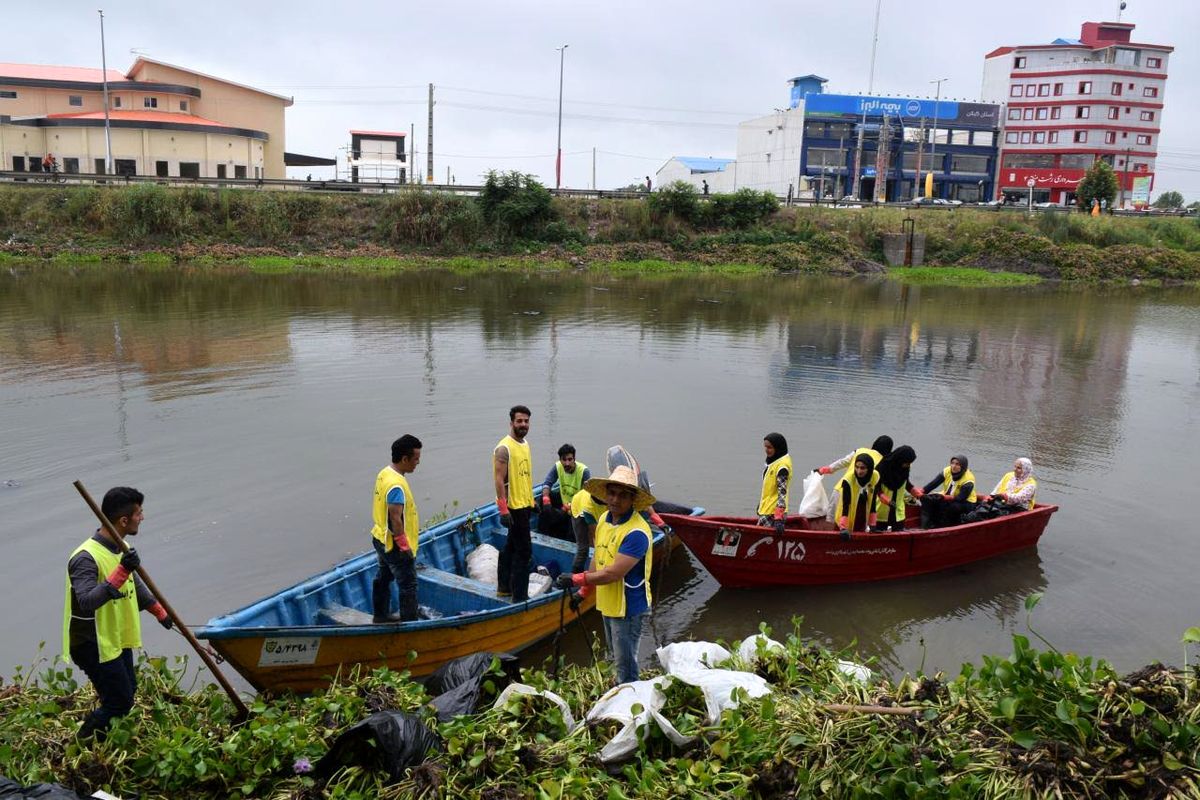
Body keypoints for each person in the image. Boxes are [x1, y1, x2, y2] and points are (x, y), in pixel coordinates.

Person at [63, 487, 171, 740]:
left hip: (115, 636)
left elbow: (135, 585)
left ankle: (104, 738)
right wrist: (122, 570)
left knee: (127, 690)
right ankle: (82, 743)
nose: (142, 517)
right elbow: (88, 601)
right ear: (124, 520)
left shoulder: (121, 547)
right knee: (119, 701)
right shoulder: (85, 558)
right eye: (139, 513)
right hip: (92, 642)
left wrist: (160, 612)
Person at [555, 465, 656, 684]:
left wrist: (575, 578)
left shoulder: (637, 532)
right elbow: (597, 559)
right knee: (614, 656)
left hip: (628, 607)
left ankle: (631, 705)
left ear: (632, 500)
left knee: (626, 664)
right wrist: (583, 592)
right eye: (611, 493)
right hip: (608, 603)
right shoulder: (604, 520)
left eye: (622, 495)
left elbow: (612, 573)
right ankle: (622, 693)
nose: (615, 500)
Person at [370, 434, 422, 623]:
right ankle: (410, 625)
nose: (417, 462)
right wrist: (404, 546)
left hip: (380, 538)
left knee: (383, 576)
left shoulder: (385, 473)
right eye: (415, 459)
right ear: (404, 459)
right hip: (394, 544)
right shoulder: (396, 485)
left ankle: (380, 615)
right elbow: (395, 518)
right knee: (408, 584)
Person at [494, 405, 534, 601]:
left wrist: (531, 500)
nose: (523, 424)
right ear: (511, 423)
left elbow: (523, 474)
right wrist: (503, 510)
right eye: (519, 421)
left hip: (524, 504)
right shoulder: (504, 448)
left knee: (511, 546)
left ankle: (503, 587)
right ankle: (519, 596)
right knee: (524, 551)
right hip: (513, 507)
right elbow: (499, 479)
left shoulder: (525, 444)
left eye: (526, 421)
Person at [815, 435, 893, 521]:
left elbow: (842, 462)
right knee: (848, 525)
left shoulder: (859, 451)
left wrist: (823, 470)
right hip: (855, 500)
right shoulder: (883, 462)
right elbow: (876, 487)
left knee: (831, 522)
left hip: (838, 490)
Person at [538, 444, 591, 540]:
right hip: (564, 505)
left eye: (570, 459)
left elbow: (586, 497)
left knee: (571, 535)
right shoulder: (558, 467)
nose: (567, 463)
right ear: (560, 460)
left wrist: (568, 507)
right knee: (543, 499)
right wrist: (546, 500)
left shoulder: (584, 471)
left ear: (574, 459)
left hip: (577, 510)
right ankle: (543, 536)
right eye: (564, 460)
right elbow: (547, 484)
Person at [918, 455, 977, 529]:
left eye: (957, 464)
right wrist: (921, 492)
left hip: (966, 502)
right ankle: (925, 527)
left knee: (951, 507)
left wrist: (944, 497)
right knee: (927, 500)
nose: (954, 466)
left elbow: (960, 498)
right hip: (948, 496)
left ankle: (943, 527)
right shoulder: (947, 471)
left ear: (963, 466)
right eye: (952, 463)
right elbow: (933, 484)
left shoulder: (968, 479)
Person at [835, 453, 881, 539]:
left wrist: (872, 525)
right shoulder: (848, 480)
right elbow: (846, 505)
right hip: (846, 515)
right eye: (856, 467)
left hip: (862, 512)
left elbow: (873, 502)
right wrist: (843, 527)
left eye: (862, 468)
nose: (859, 471)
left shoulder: (875, 476)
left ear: (869, 468)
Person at [873, 445, 917, 532]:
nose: (908, 465)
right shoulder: (883, 466)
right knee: (879, 536)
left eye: (910, 463)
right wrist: (881, 495)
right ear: (900, 459)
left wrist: (914, 491)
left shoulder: (905, 468)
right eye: (907, 462)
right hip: (881, 510)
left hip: (898, 511)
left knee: (899, 534)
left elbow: (906, 483)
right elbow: (873, 485)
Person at [757, 433, 792, 534]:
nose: (766, 450)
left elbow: (782, 492)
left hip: (773, 514)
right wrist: (761, 505)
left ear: (778, 448)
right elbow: (770, 489)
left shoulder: (782, 467)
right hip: (767, 509)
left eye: (770, 447)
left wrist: (778, 517)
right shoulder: (773, 462)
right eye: (765, 447)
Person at [569, 487, 606, 573]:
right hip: (578, 507)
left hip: (597, 511)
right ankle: (575, 575)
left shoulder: (610, 499)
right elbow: (595, 535)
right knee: (583, 548)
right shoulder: (587, 507)